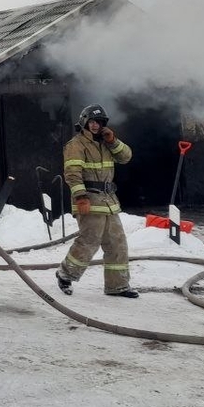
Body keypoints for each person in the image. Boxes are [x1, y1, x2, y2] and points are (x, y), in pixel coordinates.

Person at [55, 104, 139, 298]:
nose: (95, 126)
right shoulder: (76, 145)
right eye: (92, 122)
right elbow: (72, 174)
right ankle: (65, 274)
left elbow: (126, 157)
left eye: (99, 122)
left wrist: (113, 141)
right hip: (89, 200)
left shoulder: (106, 143)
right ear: (84, 122)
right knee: (89, 241)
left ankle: (117, 286)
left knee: (117, 243)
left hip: (108, 201)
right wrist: (81, 197)